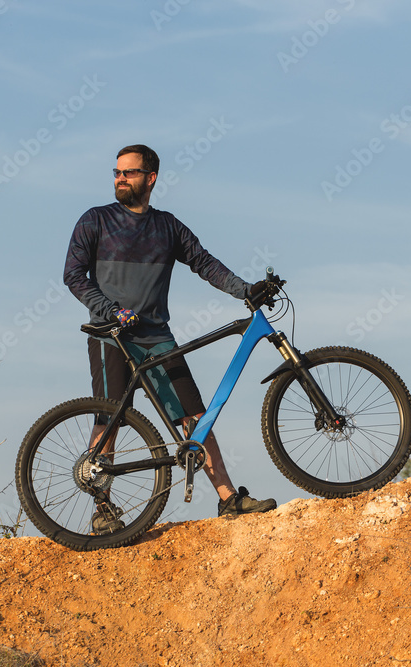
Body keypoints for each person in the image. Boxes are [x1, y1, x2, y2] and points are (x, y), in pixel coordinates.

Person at [63, 143, 277, 533]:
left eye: (128, 172)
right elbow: (74, 276)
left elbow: (205, 263)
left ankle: (229, 498)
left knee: (196, 418)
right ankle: (103, 508)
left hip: (157, 336)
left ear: (151, 178)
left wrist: (246, 290)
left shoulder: (167, 226)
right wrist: (109, 310)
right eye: (116, 172)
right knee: (109, 417)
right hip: (110, 335)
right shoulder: (94, 220)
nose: (120, 178)